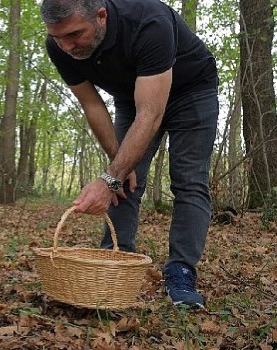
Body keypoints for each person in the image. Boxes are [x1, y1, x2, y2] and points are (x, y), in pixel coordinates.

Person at [40, 0, 219, 308]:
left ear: (101, 16)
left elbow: (151, 112)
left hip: (192, 90)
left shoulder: (148, 21)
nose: (67, 46)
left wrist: (110, 177)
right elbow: (93, 105)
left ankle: (181, 271)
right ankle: (115, 261)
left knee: (188, 180)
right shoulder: (58, 45)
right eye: (59, 37)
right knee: (124, 183)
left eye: (75, 35)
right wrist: (117, 169)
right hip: (131, 96)